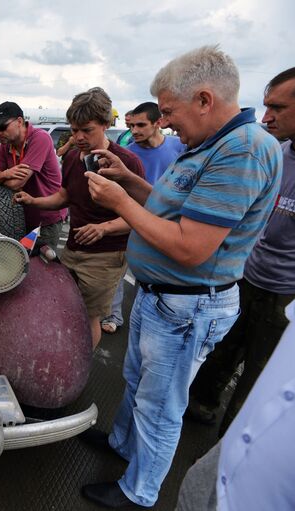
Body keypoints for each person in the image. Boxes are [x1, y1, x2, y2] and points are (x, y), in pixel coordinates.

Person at [79, 45, 282, 508]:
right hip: (163, 298)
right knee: (137, 381)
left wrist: (120, 203)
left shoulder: (244, 150)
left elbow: (192, 246)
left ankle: (140, 491)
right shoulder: (213, 144)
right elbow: (176, 208)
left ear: (205, 100)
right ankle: (123, 448)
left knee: (161, 406)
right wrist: (131, 184)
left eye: (169, 112)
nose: (166, 123)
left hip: (187, 305)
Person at [187, 67, 295, 434]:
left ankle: (229, 451)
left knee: (259, 379)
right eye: (266, 107)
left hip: (286, 296)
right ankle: (198, 410)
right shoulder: (275, 152)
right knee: (220, 355)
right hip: (246, 277)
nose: (266, 117)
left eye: (277, 108)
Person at [14, 87, 145, 349]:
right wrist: (34, 200)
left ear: (106, 124)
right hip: (73, 248)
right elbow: (65, 195)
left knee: (88, 317)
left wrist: (104, 228)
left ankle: (81, 370)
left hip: (106, 257)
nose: (79, 137)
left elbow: (141, 215)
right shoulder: (73, 157)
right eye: (74, 130)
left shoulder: (127, 163)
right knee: (67, 310)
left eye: (87, 130)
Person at [176, 298, 295, 511]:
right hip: (216, 475)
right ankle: (200, 407)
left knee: (252, 378)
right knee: (224, 355)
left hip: (280, 295)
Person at [101, 101, 186, 334]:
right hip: (131, 217)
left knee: (151, 280)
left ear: (158, 123)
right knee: (120, 267)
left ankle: (146, 321)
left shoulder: (179, 146)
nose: (135, 131)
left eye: (141, 125)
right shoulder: (128, 154)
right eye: (132, 125)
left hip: (166, 224)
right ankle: (113, 315)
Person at [0, 101, 65, 250]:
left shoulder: (40, 139)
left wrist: (0, 178)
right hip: (20, 216)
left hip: (46, 218)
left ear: (20, 122)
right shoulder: (5, 146)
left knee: (40, 268)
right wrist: (6, 174)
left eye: (2, 127)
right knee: (17, 264)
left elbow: (17, 184)